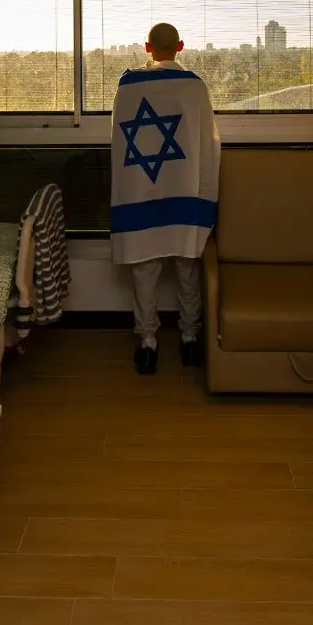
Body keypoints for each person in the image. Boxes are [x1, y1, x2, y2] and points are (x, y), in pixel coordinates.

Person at [110, 22, 221, 375]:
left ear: (147, 48)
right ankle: (189, 340)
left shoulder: (128, 87)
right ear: (181, 46)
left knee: (144, 272)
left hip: (140, 196)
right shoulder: (194, 87)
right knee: (188, 269)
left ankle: (148, 344)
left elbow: (121, 145)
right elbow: (208, 144)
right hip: (183, 193)